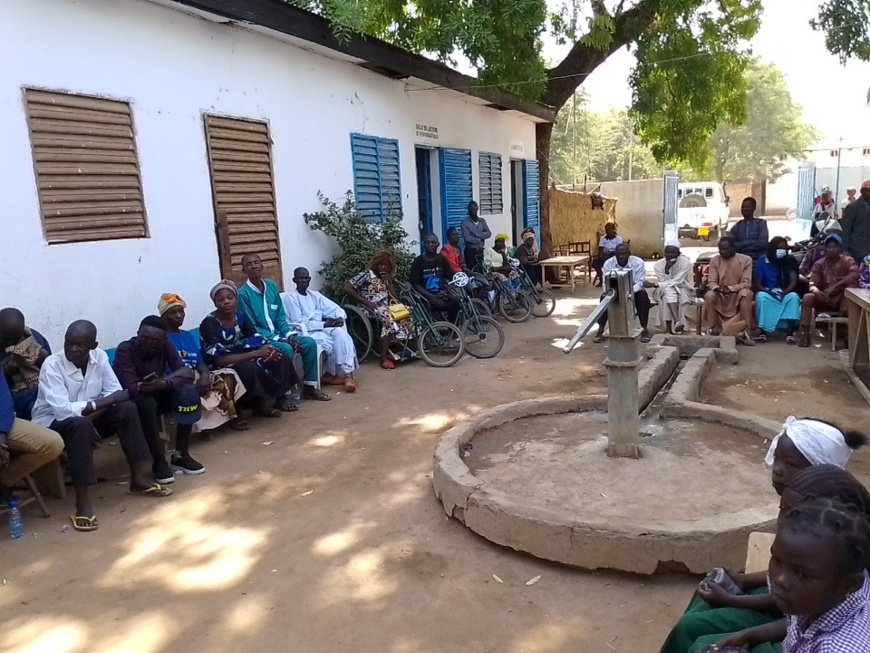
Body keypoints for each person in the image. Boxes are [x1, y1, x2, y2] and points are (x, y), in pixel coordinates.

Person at [659, 417, 868, 653]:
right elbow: (798, 620)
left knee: (699, 642)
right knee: (697, 623)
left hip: (797, 632)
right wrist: (743, 589)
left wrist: (734, 601)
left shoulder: (836, 553)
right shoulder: (817, 543)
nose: (778, 469)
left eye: (791, 464)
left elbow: (794, 612)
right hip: (798, 628)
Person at [31, 320, 172, 532]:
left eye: (79, 345)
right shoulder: (52, 365)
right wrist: (100, 404)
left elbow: (117, 393)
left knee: (127, 408)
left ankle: (138, 478)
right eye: (69, 342)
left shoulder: (100, 358)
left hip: (90, 418)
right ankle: (82, 502)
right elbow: (63, 411)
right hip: (52, 424)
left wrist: (96, 411)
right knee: (79, 426)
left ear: (93, 346)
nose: (72, 348)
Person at [771, 499, 870, 652]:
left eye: (802, 574)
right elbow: (795, 626)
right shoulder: (820, 597)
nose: (780, 579)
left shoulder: (839, 648)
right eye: (777, 560)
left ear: (850, 584)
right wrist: (749, 637)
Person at [113, 316, 204, 477]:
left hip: (157, 391)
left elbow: (186, 373)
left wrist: (163, 383)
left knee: (187, 392)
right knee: (146, 403)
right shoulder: (125, 349)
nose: (149, 343)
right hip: (134, 402)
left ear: (163, 341)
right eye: (144, 338)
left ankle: (180, 455)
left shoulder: (165, 345)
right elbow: (133, 388)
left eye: (155, 340)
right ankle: (159, 461)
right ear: (137, 334)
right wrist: (159, 384)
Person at [237, 253, 330, 401]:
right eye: (249, 264)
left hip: (280, 335)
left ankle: (309, 387)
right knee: (285, 349)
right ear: (243, 270)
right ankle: (284, 394)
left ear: (262, 265)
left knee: (309, 343)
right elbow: (251, 328)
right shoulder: (243, 294)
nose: (254, 266)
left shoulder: (272, 287)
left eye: (256, 262)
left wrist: (290, 336)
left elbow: (280, 317)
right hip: (258, 339)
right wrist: (280, 339)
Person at [200, 280, 299, 417]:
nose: (226, 302)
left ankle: (278, 398)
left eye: (230, 298)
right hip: (219, 363)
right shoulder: (209, 323)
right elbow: (220, 360)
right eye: (220, 300)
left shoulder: (239, 316)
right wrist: (257, 353)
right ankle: (243, 409)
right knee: (248, 368)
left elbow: (254, 337)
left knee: (279, 356)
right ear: (215, 303)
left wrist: (267, 350)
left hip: (241, 353)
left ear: (236, 299)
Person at [159, 293, 248, 433]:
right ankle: (204, 428)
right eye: (173, 313)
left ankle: (227, 418)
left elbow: (200, 362)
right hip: (178, 379)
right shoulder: (161, 338)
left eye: (181, 311)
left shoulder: (187, 336)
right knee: (190, 389)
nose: (179, 315)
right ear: (163, 316)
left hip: (197, 374)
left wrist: (205, 376)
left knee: (229, 375)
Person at [283, 267, 357, 393]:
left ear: (310, 279)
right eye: (301, 278)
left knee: (341, 334)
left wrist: (339, 316)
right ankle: (331, 374)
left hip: (321, 329)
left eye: (306, 278)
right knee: (332, 341)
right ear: (294, 280)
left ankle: (347, 374)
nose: (304, 280)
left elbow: (335, 308)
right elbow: (301, 322)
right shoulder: (291, 298)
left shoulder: (315, 295)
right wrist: (324, 324)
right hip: (305, 332)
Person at [0, 371, 63, 507]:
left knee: (52, 443)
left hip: (3, 423)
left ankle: (3, 482)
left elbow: (3, 397)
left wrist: (1, 433)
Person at [798, 234, 859, 348]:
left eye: (834, 246)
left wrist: (835, 287)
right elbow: (812, 284)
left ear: (840, 248)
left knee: (850, 290)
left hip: (841, 299)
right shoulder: (819, 264)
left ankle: (844, 331)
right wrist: (816, 291)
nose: (831, 249)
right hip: (824, 297)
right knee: (807, 297)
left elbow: (854, 275)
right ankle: (805, 335)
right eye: (828, 246)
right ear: (824, 248)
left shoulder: (848, 261)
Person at [593, 243, 653, 344]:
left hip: (633, 290)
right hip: (614, 291)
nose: (621, 256)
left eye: (623, 254)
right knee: (604, 299)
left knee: (643, 297)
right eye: (618, 254)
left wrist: (627, 293)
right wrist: (613, 293)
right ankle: (601, 329)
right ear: (615, 254)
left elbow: (639, 283)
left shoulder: (638, 262)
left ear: (629, 253)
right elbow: (605, 284)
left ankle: (644, 329)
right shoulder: (608, 264)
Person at [0, 307, 51, 420]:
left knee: (36, 405)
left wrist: (44, 361)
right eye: (6, 338)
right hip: (8, 400)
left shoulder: (33, 339)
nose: (10, 343)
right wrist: (6, 372)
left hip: (34, 396)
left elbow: (53, 373)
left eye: (14, 339)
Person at [704, 236, 754, 345]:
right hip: (720, 294)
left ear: (733, 247)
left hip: (737, 293)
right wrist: (718, 288)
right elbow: (711, 281)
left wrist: (731, 289)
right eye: (720, 249)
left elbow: (746, 283)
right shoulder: (715, 260)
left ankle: (746, 331)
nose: (723, 251)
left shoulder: (746, 260)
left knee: (746, 293)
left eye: (726, 249)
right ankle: (712, 328)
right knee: (709, 295)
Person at [754, 237, 800, 344]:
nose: (782, 251)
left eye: (784, 248)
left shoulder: (789, 261)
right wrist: (769, 292)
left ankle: (789, 334)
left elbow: (793, 281)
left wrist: (784, 292)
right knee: (761, 297)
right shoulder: (762, 261)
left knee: (793, 297)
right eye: (779, 248)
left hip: (784, 292)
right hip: (768, 292)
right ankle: (763, 333)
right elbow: (758, 283)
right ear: (772, 248)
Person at [411, 234, 461, 323]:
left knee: (456, 301)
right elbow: (415, 284)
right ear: (423, 244)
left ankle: (454, 330)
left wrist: (448, 289)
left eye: (433, 242)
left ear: (438, 244)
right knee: (435, 304)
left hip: (442, 294)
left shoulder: (442, 259)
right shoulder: (418, 261)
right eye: (427, 242)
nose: (430, 245)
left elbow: (451, 276)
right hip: (426, 297)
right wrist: (431, 296)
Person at [652, 240, 694, 334]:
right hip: (662, 290)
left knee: (668, 294)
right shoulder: (658, 265)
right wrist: (666, 269)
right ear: (664, 253)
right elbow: (663, 281)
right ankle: (677, 321)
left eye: (673, 252)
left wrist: (656, 284)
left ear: (679, 253)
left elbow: (678, 280)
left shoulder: (685, 262)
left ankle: (670, 328)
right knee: (668, 290)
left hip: (683, 288)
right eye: (668, 252)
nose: (670, 255)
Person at [840, 179, 870, 263]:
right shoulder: (853, 207)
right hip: (857, 250)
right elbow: (845, 230)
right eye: (869, 191)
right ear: (863, 192)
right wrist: (845, 249)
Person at [460, 200, 491, 269]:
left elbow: (489, 233)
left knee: (481, 271)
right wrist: (480, 239)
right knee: (472, 271)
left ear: (478, 208)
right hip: (470, 251)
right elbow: (467, 238)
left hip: (480, 250)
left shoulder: (482, 221)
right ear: (468, 209)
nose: (473, 209)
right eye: (471, 207)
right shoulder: (464, 222)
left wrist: (477, 235)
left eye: (475, 207)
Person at [592, 222, 623, 287]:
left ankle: (614, 281)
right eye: (606, 229)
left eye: (610, 229)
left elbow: (619, 250)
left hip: (614, 256)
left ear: (613, 229)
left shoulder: (618, 238)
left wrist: (612, 254)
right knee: (595, 262)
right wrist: (601, 255)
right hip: (605, 255)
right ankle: (602, 280)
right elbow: (600, 249)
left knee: (617, 262)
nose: (608, 230)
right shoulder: (603, 238)